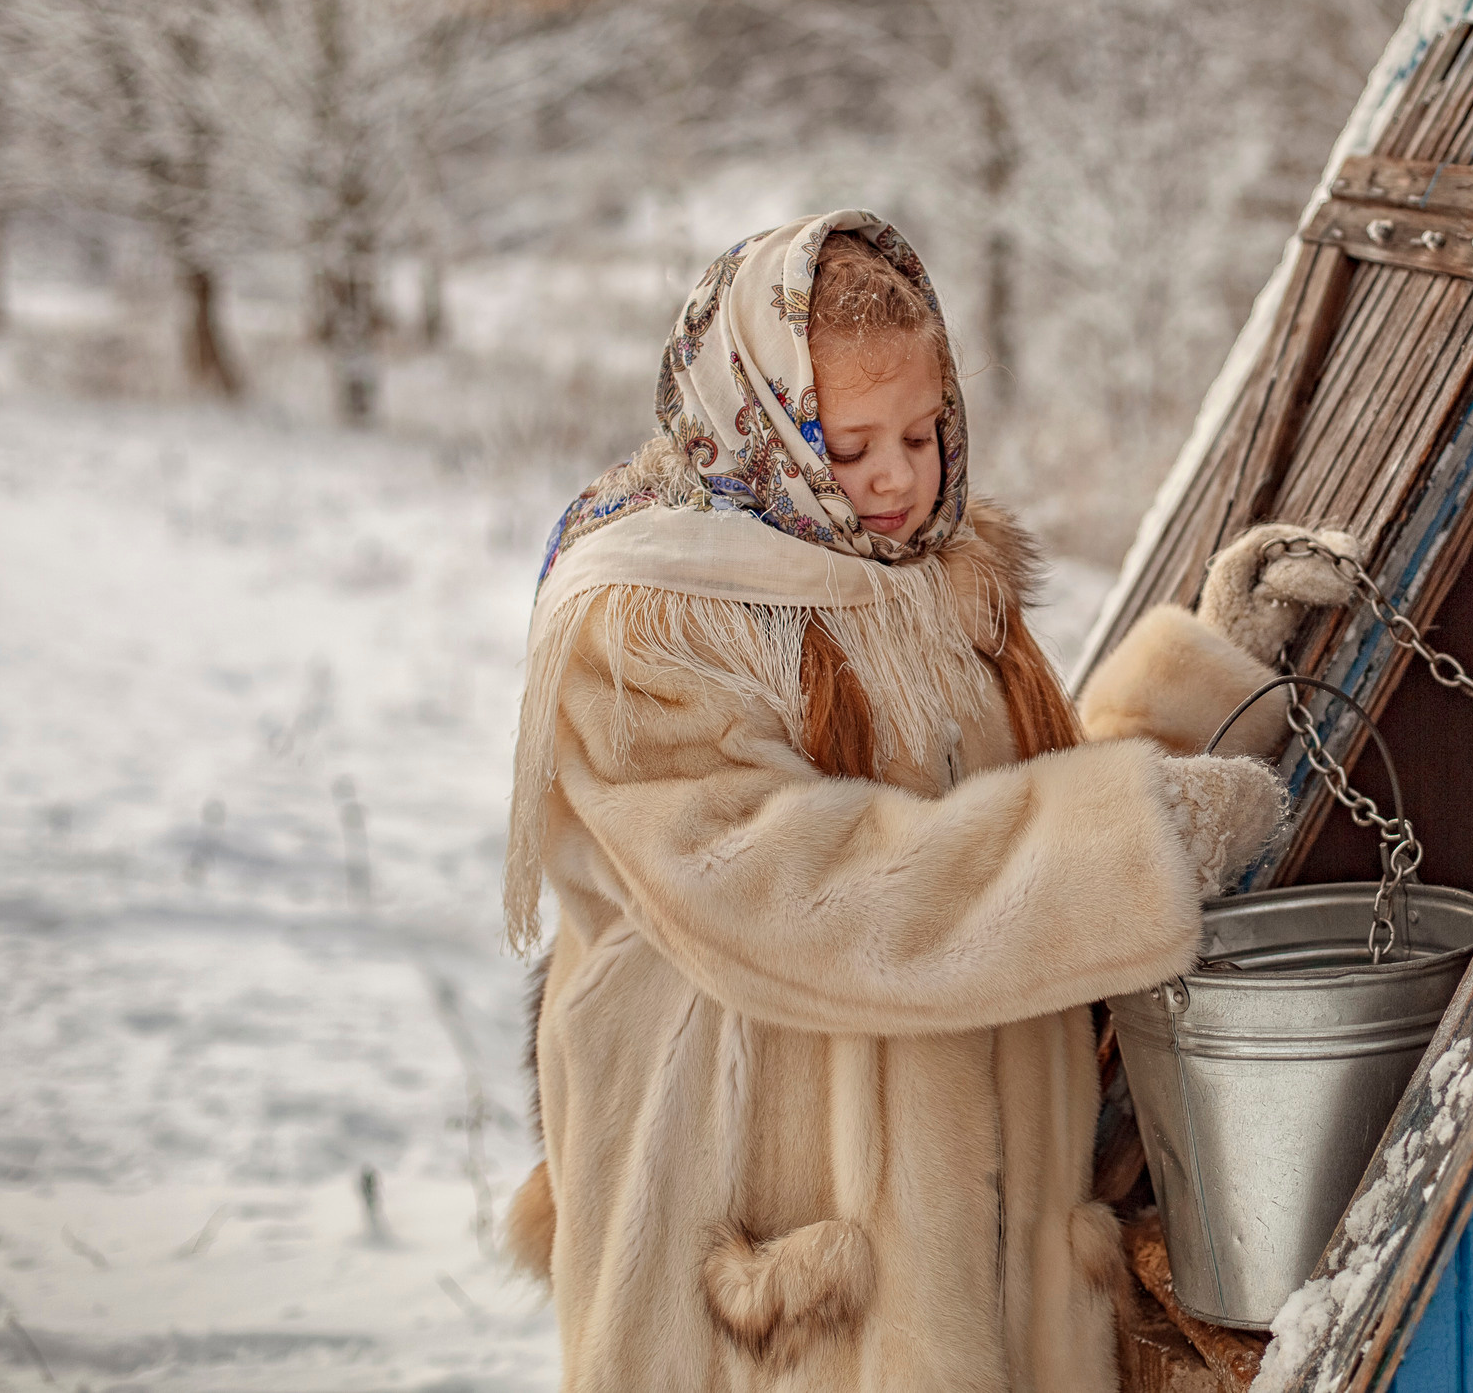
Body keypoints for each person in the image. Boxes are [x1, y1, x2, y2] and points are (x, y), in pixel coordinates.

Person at [501, 210, 1354, 1392]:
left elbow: (1005, 813)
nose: (897, 477)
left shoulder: (937, 583)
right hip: (781, 1277)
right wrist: (1132, 842)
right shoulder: (655, 624)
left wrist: (1214, 677)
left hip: (978, 1243)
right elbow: (812, 890)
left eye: (922, 430)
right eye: (847, 445)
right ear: (754, 423)